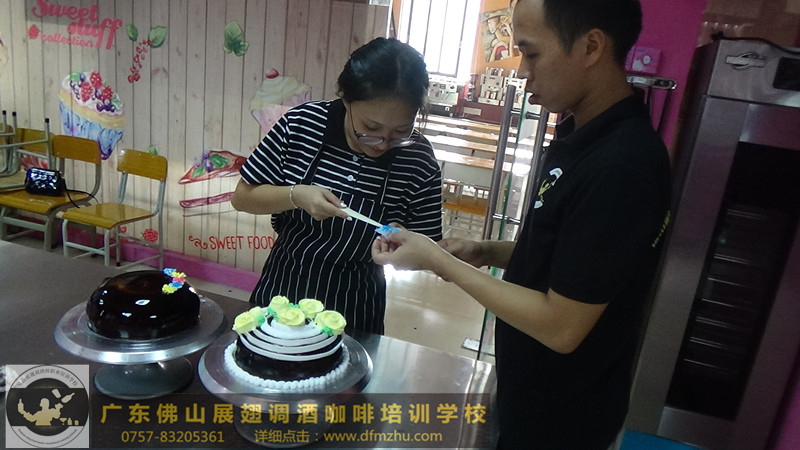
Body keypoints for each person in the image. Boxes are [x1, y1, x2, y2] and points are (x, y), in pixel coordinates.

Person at [371, 0, 671, 448]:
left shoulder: (621, 166)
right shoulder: (579, 135)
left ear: (591, 46)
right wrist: (486, 251)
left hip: (564, 420)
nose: (523, 72)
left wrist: (437, 259)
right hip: (529, 391)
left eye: (531, 53)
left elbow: (561, 326)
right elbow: (570, 257)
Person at [231, 37, 443, 335]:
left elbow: (430, 247)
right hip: (284, 288)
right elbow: (242, 197)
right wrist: (295, 195)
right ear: (346, 101)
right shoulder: (302, 125)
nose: (382, 144)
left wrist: (402, 243)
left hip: (358, 305)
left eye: (400, 131)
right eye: (370, 128)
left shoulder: (418, 158)